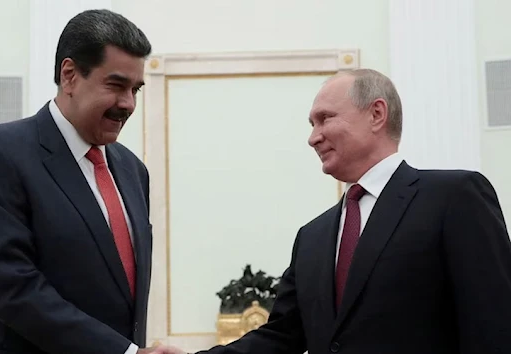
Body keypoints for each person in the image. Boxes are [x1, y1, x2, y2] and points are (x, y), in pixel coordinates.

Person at [152, 69, 511, 354]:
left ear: (376, 113)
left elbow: (493, 325)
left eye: (324, 118)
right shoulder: (313, 236)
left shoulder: (454, 198)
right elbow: (281, 337)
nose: (313, 137)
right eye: (311, 124)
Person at [0, 9, 159, 354]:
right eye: (115, 85)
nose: (128, 104)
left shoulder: (132, 171)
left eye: (135, 89)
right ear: (69, 75)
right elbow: (11, 288)